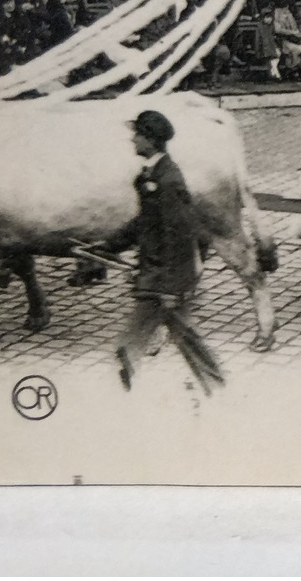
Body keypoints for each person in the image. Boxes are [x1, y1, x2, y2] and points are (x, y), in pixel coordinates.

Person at [114, 110, 224, 394]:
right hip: (158, 277)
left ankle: (123, 393)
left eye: (137, 134)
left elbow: (179, 235)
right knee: (183, 336)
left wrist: (170, 287)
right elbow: (145, 222)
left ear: (150, 140)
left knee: (137, 343)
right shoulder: (154, 174)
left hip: (164, 280)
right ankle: (216, 386)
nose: (132, 139)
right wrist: (108, 244)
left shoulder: (167, 181)